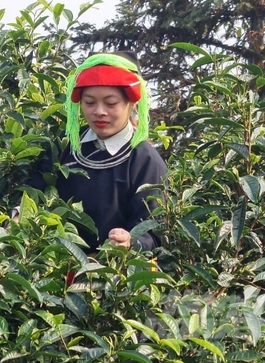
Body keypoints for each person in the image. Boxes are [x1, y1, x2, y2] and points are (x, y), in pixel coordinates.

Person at [25, 52, 167, 253]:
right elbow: (36, 189)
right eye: (90, 102)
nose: (99, 111)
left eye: (111, 103)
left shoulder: (145, 160)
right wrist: (17, 215)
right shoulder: (66, 145)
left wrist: (131, 241)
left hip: (113, 275)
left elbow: (153, 228)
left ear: (132, 104)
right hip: (55, 268)